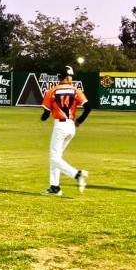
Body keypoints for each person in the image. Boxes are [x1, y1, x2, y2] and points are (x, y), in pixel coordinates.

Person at [40, 66, 91, 196]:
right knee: (56, 157)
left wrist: (44, 116)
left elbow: (45, 115)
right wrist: (79, 121)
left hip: (60, 126)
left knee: (54, 157)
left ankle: (77, 174)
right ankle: (55, 187)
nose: (71, 78)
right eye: (71, 76)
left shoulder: (52, 91)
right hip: (71, 127)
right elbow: (88, 107)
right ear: (68, 77)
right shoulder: (75, 90)